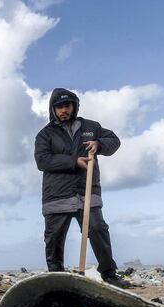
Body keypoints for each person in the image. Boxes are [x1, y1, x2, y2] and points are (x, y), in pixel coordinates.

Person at [34, 88, 132, 288]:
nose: (64, 110)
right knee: (53, 239)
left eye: (67, 105)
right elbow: (42, 161)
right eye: (59, 107)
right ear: (52, 109)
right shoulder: (45, 134)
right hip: (57, 196)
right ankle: (56, 279)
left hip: (87, 191)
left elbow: (114, 140)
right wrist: (73, 161)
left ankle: (109, 274)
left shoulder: (91, 126)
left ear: (74, 106)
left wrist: (99, 144)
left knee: (98, 229)